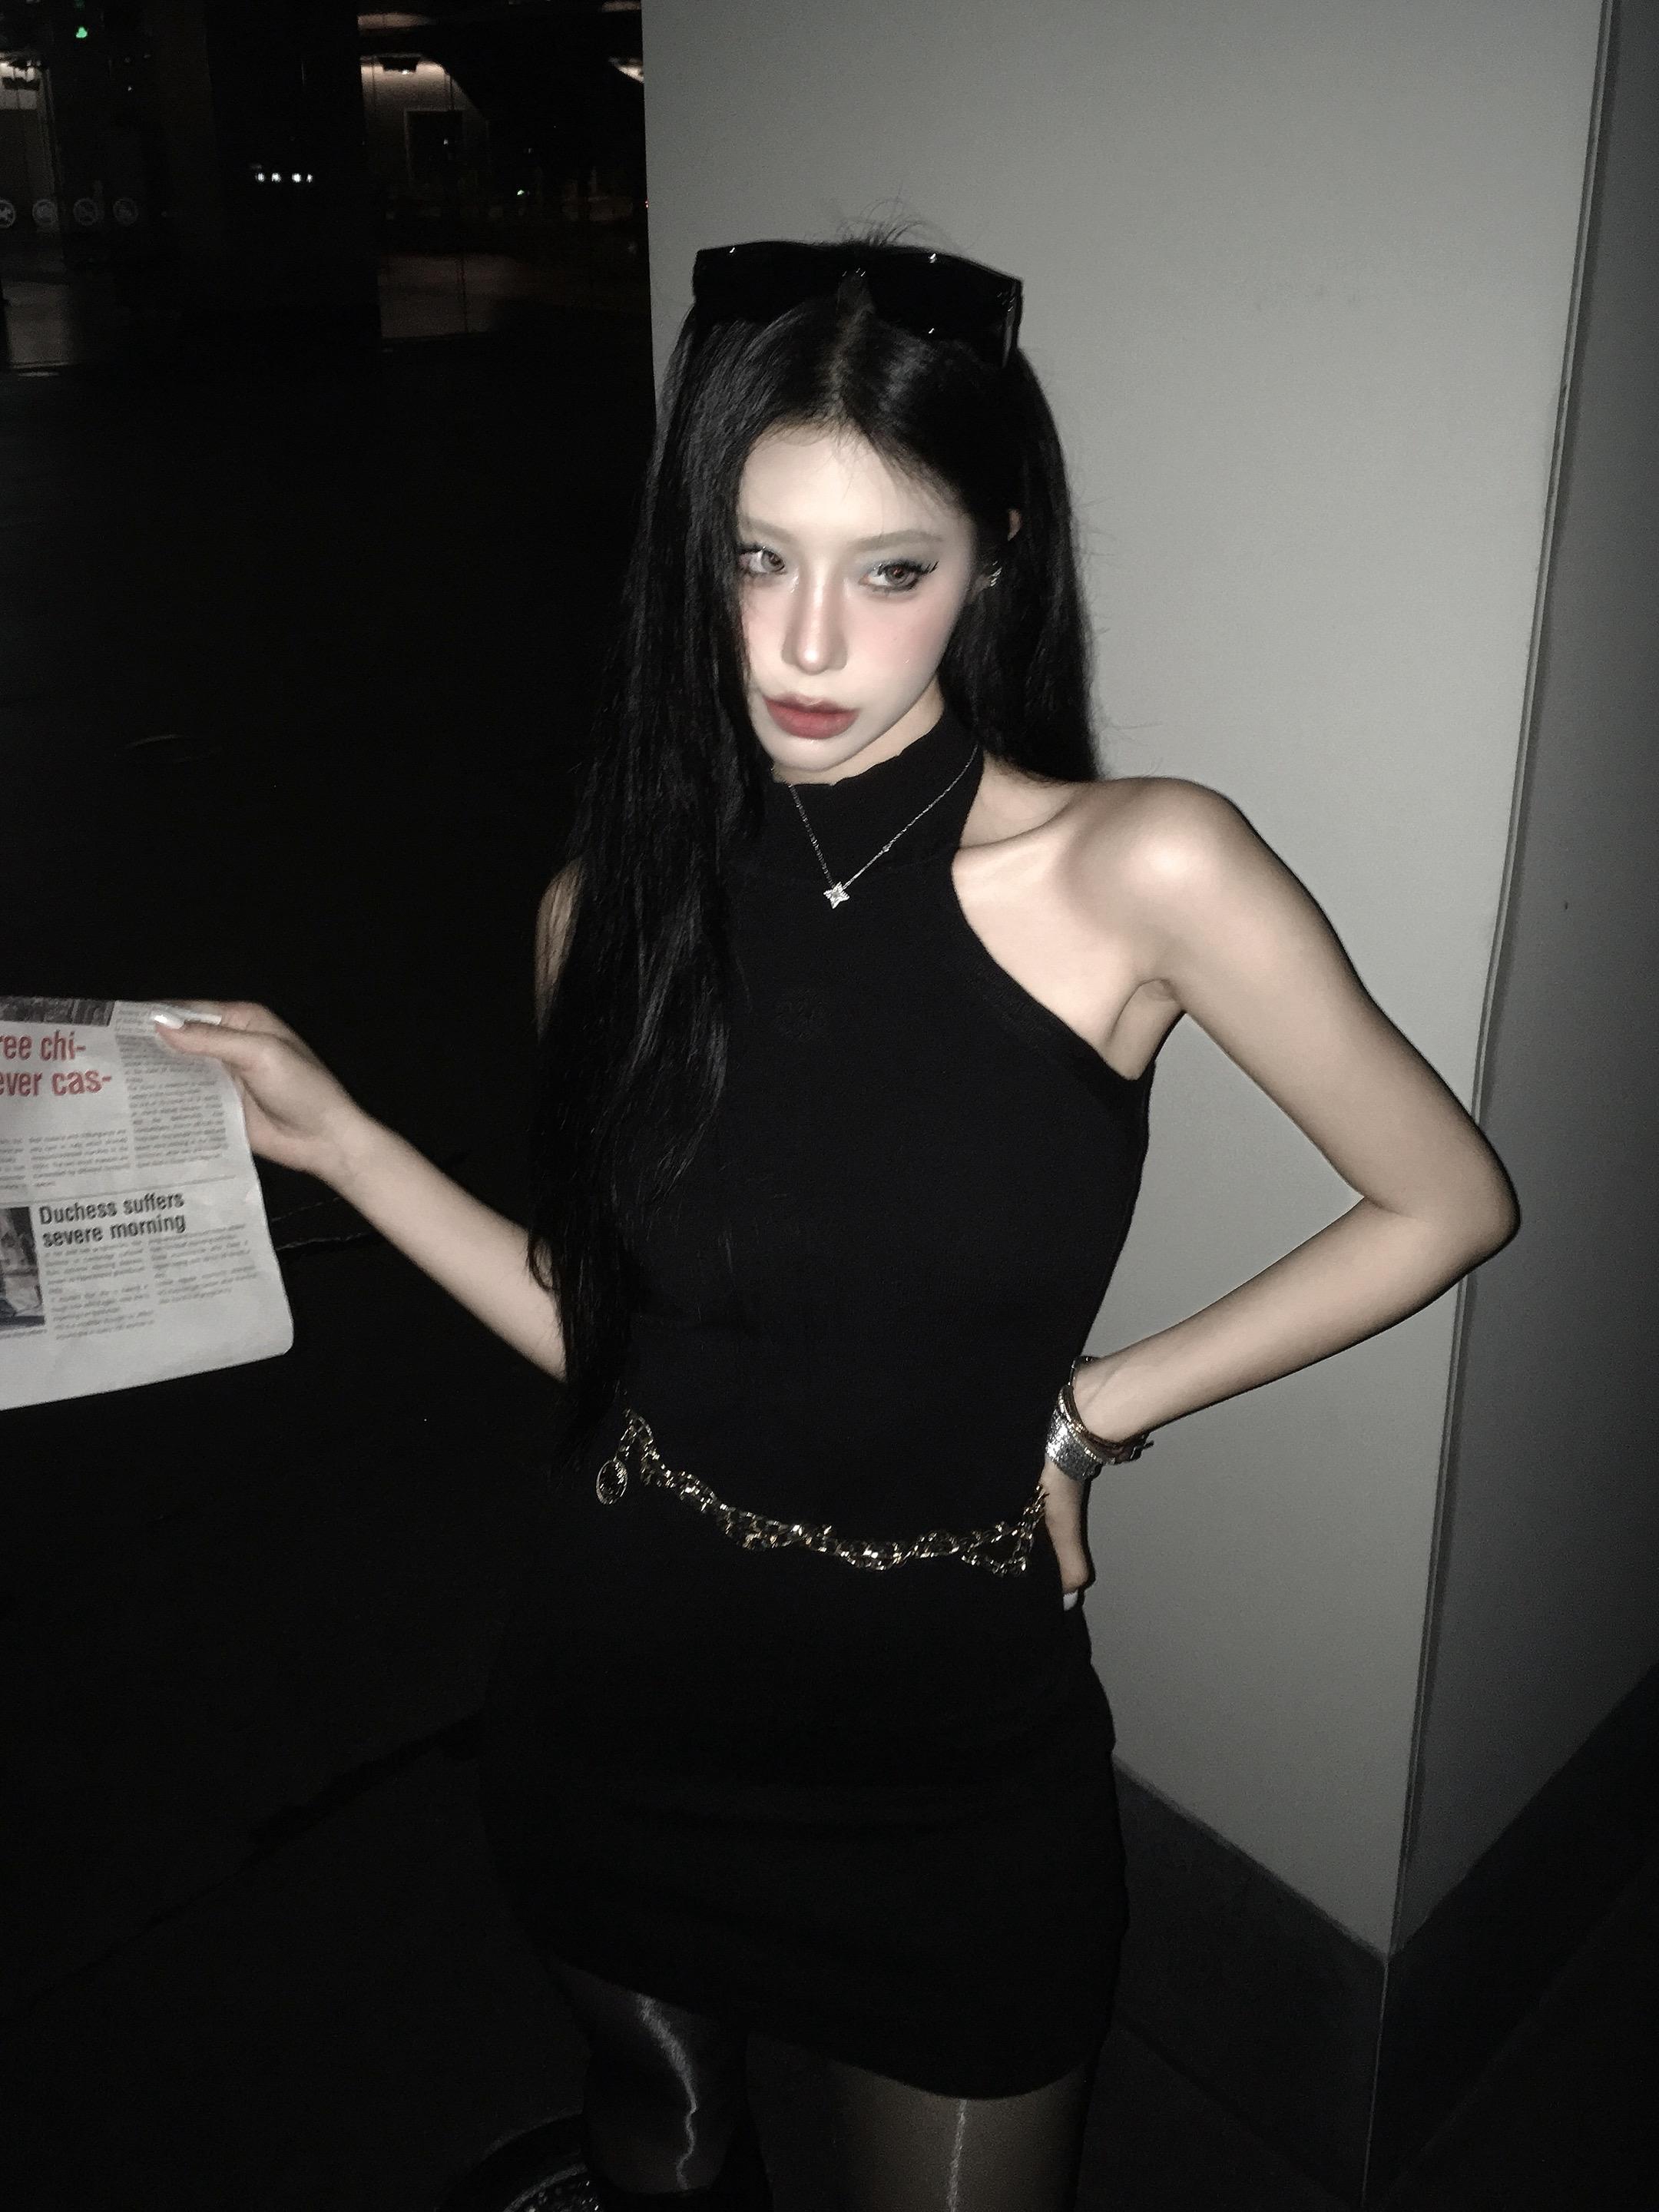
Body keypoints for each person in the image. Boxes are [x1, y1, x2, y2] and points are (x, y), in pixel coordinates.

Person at [155, 232, 1519, 2211]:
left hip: (953, 1750)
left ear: (996, 562)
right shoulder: (603, 906)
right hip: (620, 1690)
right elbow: (614, 1341)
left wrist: (1096, 1411)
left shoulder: (1141, 870)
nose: (805, 645)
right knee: (663, 2146)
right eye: (755, 558)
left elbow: (1446, 1199)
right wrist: (350, 1146)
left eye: (889, 572)